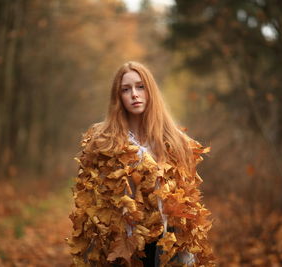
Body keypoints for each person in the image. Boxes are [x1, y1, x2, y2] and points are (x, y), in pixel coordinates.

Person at [67, 61, 215, 267]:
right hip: (122, 238)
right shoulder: (102, 139)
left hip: (166, 237)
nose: (134, 94)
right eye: (126, 90)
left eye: (140, 86)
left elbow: (186, 200)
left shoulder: (175, 140)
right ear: (118, 97)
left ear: (150, 90)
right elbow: (91, 200)